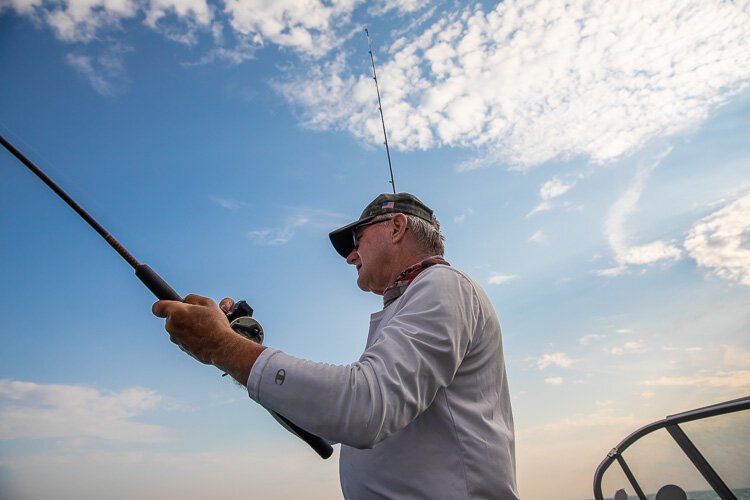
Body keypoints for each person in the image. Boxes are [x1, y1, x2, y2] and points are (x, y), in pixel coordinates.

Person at [153, 192, 518, 499]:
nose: (350, 256)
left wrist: (222, 345)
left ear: (396, 227)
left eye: (357, 240)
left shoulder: (442, 284)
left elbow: (364, 408)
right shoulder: (409, 305)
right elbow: (321, 422)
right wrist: (234, 348)